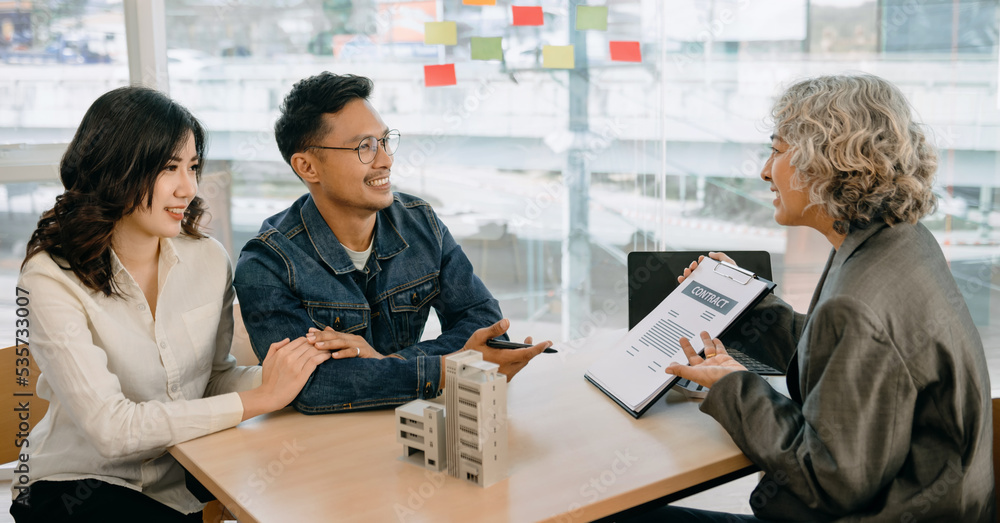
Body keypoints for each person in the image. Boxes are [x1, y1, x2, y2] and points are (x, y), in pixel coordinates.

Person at [654, 75, 994, 521]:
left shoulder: (857, 302)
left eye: (775, 151)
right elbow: (843, 358)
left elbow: (828, 482)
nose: (763, 171)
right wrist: (748, 307)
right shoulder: (899, 243)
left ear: (824, 162)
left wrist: (734, 386)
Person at [12, 86, 330, 522]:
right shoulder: (49, 277)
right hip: (77, 484)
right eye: (169, 168)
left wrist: (294, 370)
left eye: (194, 167)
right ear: (115, 168)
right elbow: (111, 430)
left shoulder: (208, 259)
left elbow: (213, 379)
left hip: (184, 477)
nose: (189, 187)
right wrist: (263, 398)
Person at [234, 72, 551, 413]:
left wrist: (390, 361)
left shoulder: (420, 222)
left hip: (413, 426)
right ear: (308, 166)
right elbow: (311, 385)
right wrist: (446, 369)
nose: (385, 160)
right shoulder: (266, 263)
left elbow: (485, 327)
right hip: (318, 447)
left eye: (385, 141)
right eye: (365, 147)